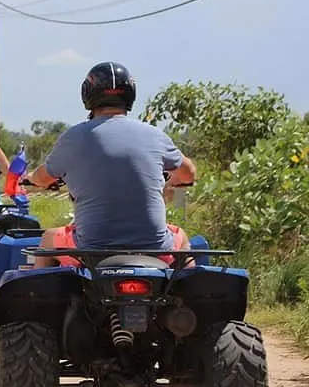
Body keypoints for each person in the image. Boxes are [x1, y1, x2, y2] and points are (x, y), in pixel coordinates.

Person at [24, 61, 197, 268]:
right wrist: (172, 181)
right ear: (130, 95)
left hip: (90, 249)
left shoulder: (75, 136)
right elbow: (189, 173)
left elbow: (43, 178)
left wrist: (31, 178)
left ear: (87, 94)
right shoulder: (154, 135)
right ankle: (187, 295)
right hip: (155, 249)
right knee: (182, 239)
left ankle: (44, 300)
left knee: (49, 237)